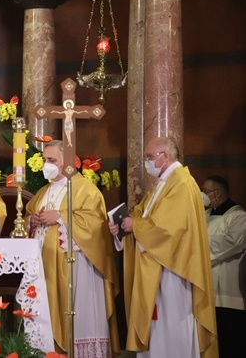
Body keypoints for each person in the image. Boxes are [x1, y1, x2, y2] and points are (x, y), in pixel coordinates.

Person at [109, 137, 217, 358]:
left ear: (165, 156)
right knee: (158, 330)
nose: (147, 162)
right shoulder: (164, 184)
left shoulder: (182, 184)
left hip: (173, 271)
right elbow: (144, 214)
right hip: (159, 267)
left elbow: (168, 229)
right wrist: (123, 226)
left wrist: (134, 225)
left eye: (149, 157)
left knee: (171, 329)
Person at [26, 140, 119, 357]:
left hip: (78, 269)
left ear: (68, 162)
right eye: (44, 160)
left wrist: (60, 217)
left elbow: (96, 227)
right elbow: (25, 220)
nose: (46, 165)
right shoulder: (43, 192)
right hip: (45, 268)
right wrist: (33, 220)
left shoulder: (86, 190)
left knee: (77, 318)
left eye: (52, 160)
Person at [202, 175, 246, 358]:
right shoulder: (204, 215)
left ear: (216, 193)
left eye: (205, 191)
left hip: (230, 297)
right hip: (207, 292)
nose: (202, 195)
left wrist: (198, 248)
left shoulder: (239, 216)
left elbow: (230, 243)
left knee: (230, 345)